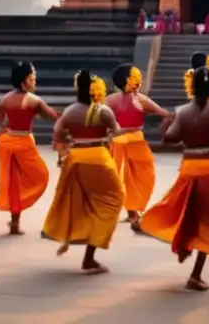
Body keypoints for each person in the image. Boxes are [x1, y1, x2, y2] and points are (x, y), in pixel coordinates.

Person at [140, 66, 209, 292]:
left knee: (192, 216)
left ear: (192, 86)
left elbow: (169, 138)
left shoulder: (182, 111)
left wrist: (170, 123)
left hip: (190, 168)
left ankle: (198, 256)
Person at [41, 71, 124, 273]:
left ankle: (75, 237)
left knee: (78, 201)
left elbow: (58, 133)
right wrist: (106, 135)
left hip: (75, 159)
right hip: (98, 158)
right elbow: (117, 131)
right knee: (113, 200)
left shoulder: (70, 111)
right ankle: (90, 255)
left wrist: (62, 153)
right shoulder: (103, 111)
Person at [0, 61, 58, 235]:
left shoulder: (5, 99)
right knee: (41, 176)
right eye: (32, 79)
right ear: (23, 81)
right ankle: (15, 220)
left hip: (7, 142)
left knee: (13, 182)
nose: (34, 82)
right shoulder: (33, 101)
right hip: (23, 142)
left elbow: (1, 121)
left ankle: (15, 221)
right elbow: (53, 116)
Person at [105, 62, 170, 230]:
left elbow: (164, 114)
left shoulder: (139, 99)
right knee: (124, 179)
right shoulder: (113, 100)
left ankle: (133, 212)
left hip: (136, 145)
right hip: (121, 144)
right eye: (136, 78)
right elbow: (97, 119)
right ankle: (132, 215)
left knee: (141, 178)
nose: (139, 82)